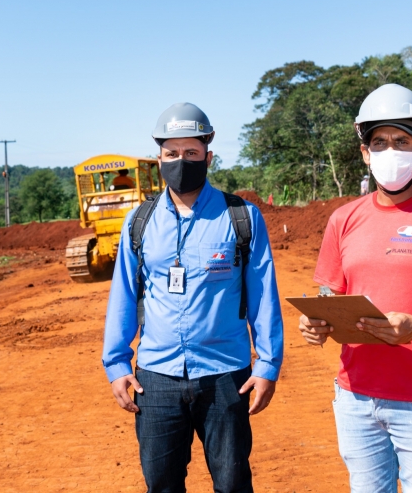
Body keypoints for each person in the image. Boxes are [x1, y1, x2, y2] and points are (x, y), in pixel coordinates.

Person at [103, 102, 283, 493]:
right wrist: (116, 363)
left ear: (208, 157)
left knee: (233, 483)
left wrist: (267, 364)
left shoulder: (242, 217)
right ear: (159, 158)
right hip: (157, 379)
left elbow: (263, 295)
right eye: (172, 154)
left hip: (225, 376)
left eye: (191, 153)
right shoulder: (139, 222)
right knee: (162, 484)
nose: (180, 161)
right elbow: (124, 294)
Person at [299, 84, 412, 493]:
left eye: (401, 141)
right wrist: (316, 321)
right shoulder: (343, 219)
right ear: (365, 153)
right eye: (379, 142)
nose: (389, 151)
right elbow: (329, 293)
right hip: (357, 399)